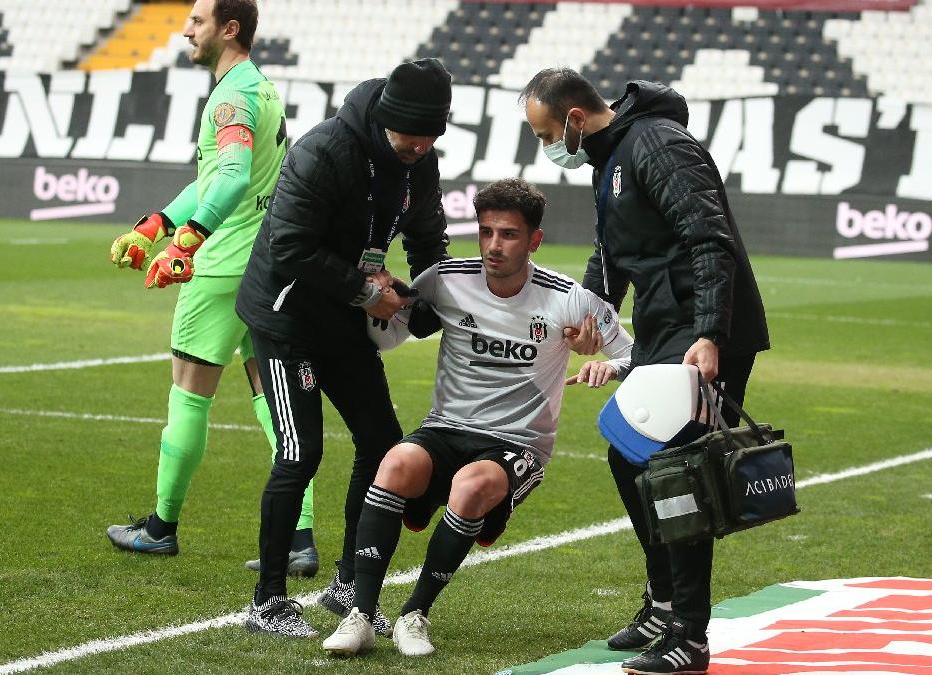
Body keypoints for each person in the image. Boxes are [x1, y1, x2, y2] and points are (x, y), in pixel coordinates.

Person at [318, 177, 634, 657]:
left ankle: (414, 614)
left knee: (469, 486)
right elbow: (389, 337)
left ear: (534, 240)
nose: (493, 245)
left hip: (517, 443)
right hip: (447, 427)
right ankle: (361, 614)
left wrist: (605, 364)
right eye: (486, 232)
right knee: (395, 464)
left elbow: (637, 356)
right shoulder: (446, 279)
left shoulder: (568, 299)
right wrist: (379, 299)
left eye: (507, 234)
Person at [521, 69, 771, 675]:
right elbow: (611, 256)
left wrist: (709, 333)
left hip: (704, 333)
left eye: (547, 132)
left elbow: (709, 240)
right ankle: (664, 605)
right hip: (670, 332)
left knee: (676, 471)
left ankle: (690, 634)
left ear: (575, 119)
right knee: (630, 458)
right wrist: (584, 317)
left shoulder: (657, 144)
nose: (547, 145)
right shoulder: (611, 161)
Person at [234, 58, 455, 638]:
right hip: (287, 319)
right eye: (412, 135)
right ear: (385, 117)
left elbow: (428, 235)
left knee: (382, 443)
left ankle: (349, 588)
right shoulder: (324, 151)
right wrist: (363, 291)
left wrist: (434, 299)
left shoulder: (420, 159)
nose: (419, 147)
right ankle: (268, 600)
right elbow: (288, 247)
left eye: (431, 136)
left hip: (342, 320)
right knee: (301, 453)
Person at [104, 0, 320, 575]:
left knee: (188, 391)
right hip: (267, 266)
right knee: (276, 403)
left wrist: (187, 242)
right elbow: (221, 177)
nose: (184, 30)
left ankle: (160, 526)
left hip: (224, 267)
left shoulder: (231, 96)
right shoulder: (260, 89)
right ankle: (300, 540)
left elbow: (226, 178)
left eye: (196, 22)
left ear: (229, 30)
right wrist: (157, 225)